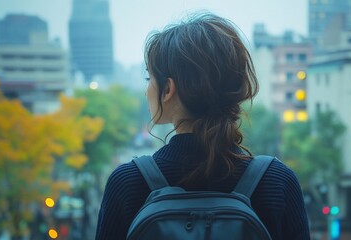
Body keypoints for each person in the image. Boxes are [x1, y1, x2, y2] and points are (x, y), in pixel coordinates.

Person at [95, 12, 310, 240]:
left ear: (168, 89)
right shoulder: (276, 181)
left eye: (150, 79)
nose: (147, 90)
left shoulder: (128, 183)